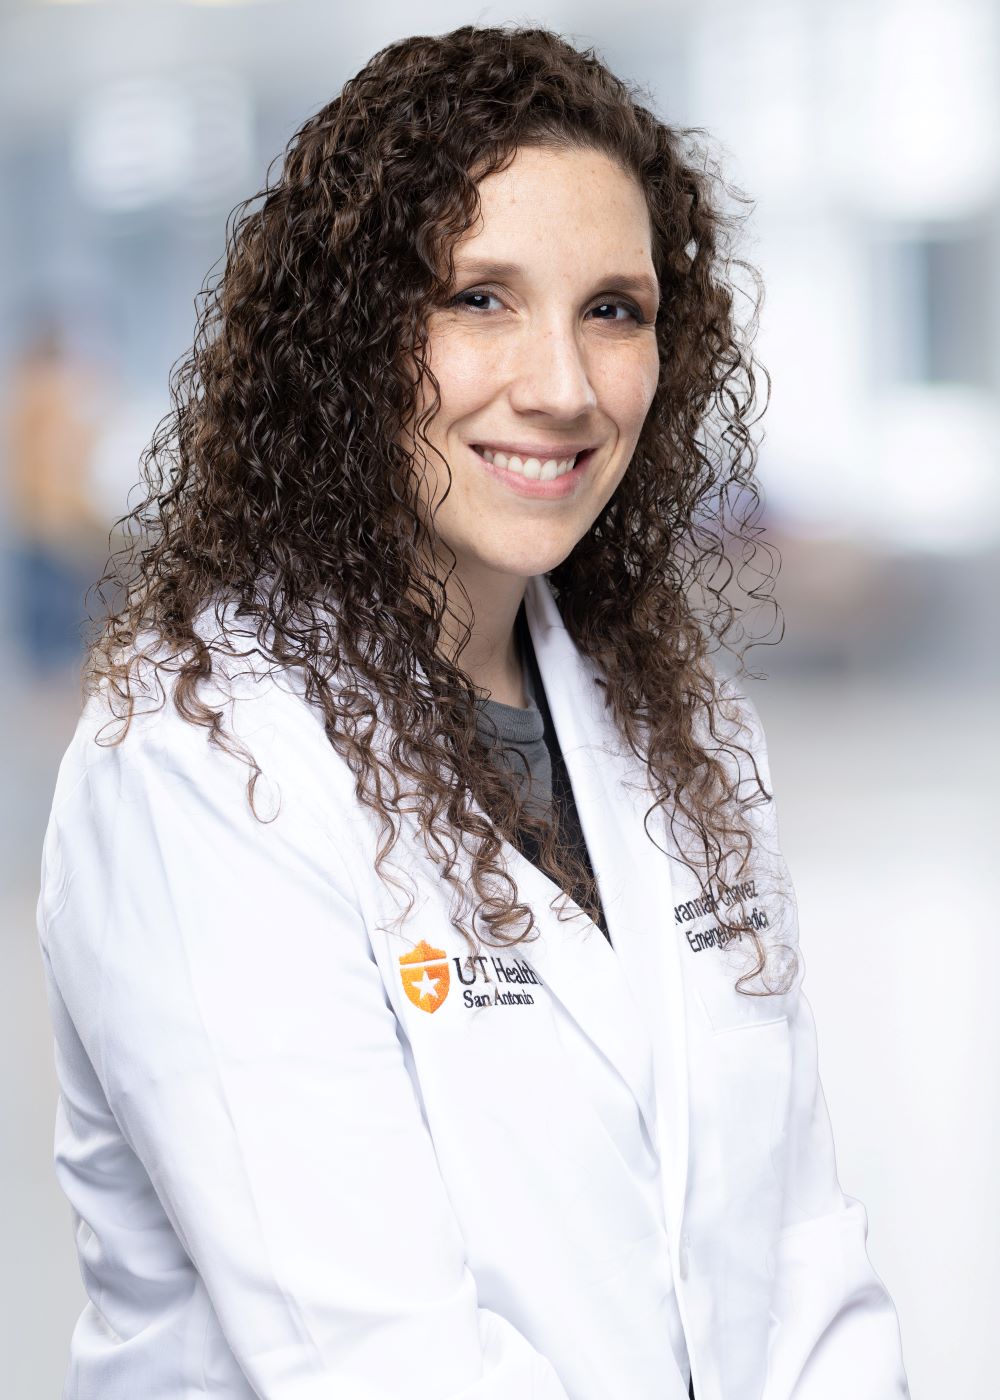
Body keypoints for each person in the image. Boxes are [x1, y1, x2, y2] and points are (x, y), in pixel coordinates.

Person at [35, 24, 910, 1400]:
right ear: (345, 337)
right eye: (479, 298)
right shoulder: (204, 760)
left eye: (613, 310)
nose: (561, 387)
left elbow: (804, 1265)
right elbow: (377, 1358)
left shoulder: (684, 732)